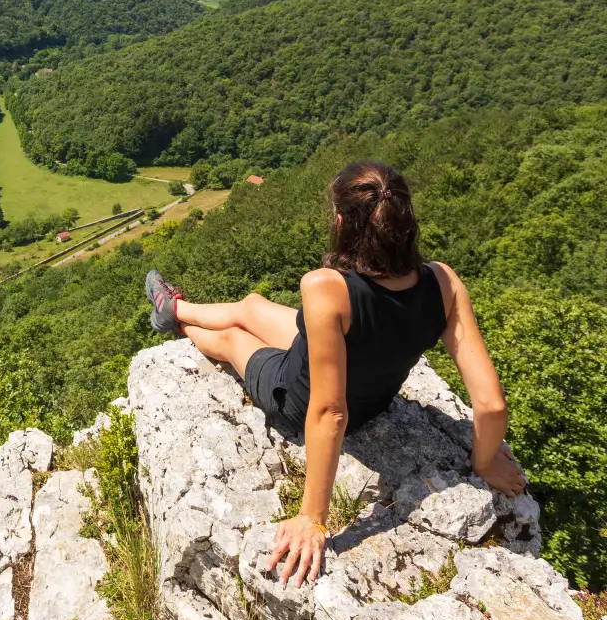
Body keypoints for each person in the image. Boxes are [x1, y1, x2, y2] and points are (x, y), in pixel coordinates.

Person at [146, 159, 527, 590]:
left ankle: (182, 327)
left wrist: (313, 517)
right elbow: (492, 404)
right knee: (253, 305)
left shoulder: (327, 288)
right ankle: (172, 307)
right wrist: (484, 460)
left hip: (298, 398)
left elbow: (329, 412)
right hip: (369, 389)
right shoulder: (443, 281)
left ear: (342, 222)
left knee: (234, 336)